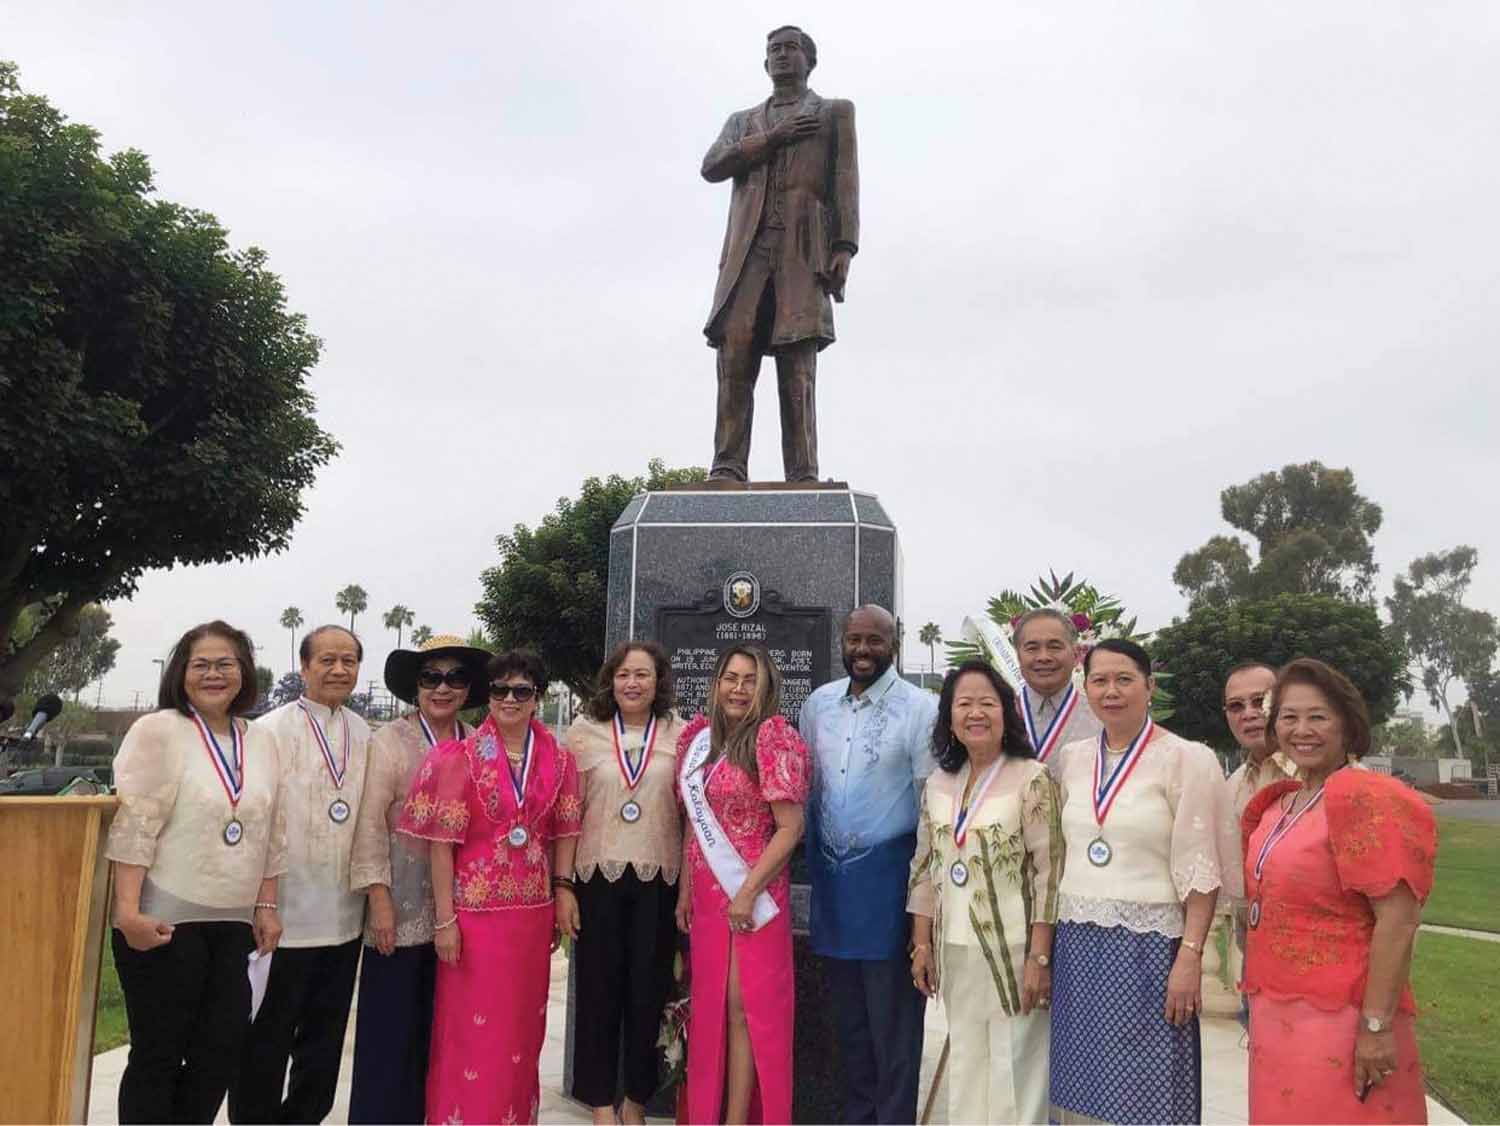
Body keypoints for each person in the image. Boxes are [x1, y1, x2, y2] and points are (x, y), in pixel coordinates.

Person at [1048, 639, 1238, 1124]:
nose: (1111, 691)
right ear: (1085, 687)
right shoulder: (1072, 759)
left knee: (1145, 1087)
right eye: (1099, 680)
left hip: (1150, 950)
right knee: (1082, 1084)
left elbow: (1201, 871)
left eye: (1125, 679)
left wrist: (1190, 957)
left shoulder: (1186, 759)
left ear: (1149, 686)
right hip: (1078, 943)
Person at [104, 621, 285, 1124]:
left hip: (233, 926)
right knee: (157, 1057)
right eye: (200, 664)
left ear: (244, 671)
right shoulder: (160, 730)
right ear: (181, 672)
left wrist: (267, 906)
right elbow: (135, 825)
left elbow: (272, 830)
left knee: (217, 1057)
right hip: (163, 922)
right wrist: (127, 914)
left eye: (225, 663)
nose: (213, 674)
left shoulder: (262, 740)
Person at [1242, 658, 1435, 1124]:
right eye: (1288, 717)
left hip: (1342, 1019)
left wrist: (1375, 1027)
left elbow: (1399, 918)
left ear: (1347, 725)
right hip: (1275, 1014)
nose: (1301, 729)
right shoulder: (1280, 803)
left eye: (1318, 717)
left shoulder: (1362, 796)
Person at [397, 649, 582, 1126]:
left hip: (531, 921)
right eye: (500, 689)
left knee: (522, 1035)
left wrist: (563, 889)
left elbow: (563, 833)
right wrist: (445, 921)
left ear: (538, 698)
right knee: (472, 1037)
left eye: (522, 690)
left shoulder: (559, 762)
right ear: (488, 696)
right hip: (473, 923)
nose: (509, 699)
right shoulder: (455, 759)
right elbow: (441, 848)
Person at [701, 25, 859, 482]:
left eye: (792, 48)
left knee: (798, 365)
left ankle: (804, 472)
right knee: (736, 354)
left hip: (802, 251)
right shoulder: (743, 121)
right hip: (746, 253)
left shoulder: (834, 114)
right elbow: (712, 166)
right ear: (765, 62)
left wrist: (844, 247)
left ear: (809, 60)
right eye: (774, 50)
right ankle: (727, 465)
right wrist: (775, 137)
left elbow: (844, 182)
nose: (782, 55)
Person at [908, 660, 1062, 1124]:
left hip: (1014, 949)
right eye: (964, 703)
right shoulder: (939, 782)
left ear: (1006, 712)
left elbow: (1049, 872)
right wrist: (921, 944)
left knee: (1018, 1065)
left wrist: (1039, 957)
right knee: (968, 1058)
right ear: (949, 717)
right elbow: (924, 868)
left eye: (987, 703)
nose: (976, 713)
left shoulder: (1031, 778)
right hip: (953, 949)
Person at [799, 605, 936, 1124]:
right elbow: (810, 790)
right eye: (854, 639)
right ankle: (858, 1116)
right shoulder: (818, 705)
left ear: (894, 642)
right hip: (834, 888)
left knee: (894, 1025)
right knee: (850, 1024)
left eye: (874, 640)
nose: (862, 650)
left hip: (889, 887)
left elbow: (931, 806)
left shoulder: (921, 709)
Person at [347, 633, 490, 1123]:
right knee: (391, 1033)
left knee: (443, 1035)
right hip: (401, 909)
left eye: (454, 678)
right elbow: (368, 823)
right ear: (416, 686)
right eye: (431, 677)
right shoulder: (389, 742)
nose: (442, 688)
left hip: (463, 914)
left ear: (469, 688)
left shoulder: (479, 745)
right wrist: (379, 899)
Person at [230, 624, 371, 1124]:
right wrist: (262, 903)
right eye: (327, 660)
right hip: (281, 916)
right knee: (266, 1037)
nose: (338, 669)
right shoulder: (267, 730)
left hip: (344, 917)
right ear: (304, 665)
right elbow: (255, 818)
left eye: (349, 660)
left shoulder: (363, 732)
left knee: (324, 1040)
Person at [676, 644, 810, 1124]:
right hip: (709, 900)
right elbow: (695, 819)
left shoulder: (774, 739)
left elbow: (791, 828)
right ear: (716, 684)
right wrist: (685, 891)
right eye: (730, 678)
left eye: (749, 679)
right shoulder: (700, 741)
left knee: (744, 1011)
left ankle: (737, 1119)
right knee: (711, 1011)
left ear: (765, 686)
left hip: (754, 897)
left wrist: (749, 891)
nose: (737, 688)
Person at [563, 641, 686, 1125]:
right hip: (598, 879)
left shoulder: (681, 732)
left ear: (659, 681)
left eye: (642, 674)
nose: (632, 683)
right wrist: (564, 886)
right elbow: (569, 815)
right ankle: (598, 1101)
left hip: (660, 880)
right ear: (609, 681)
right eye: (622, 675)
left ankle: (635, 1098)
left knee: (647, 994)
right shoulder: (584, 733)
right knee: (597, 994)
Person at [1012, 609, 1102, 776]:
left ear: (1076, 655)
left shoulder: (1103, 716)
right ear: (1018, 656)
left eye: (1055, 647)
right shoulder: (999, 716)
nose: (1044, 657)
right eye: (1032, 648)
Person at [1223, 662, 1298, 821]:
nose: (1248, 714)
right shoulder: (1231, 788)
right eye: (1236, 706)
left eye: (1259, 701)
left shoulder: (1323, 772)